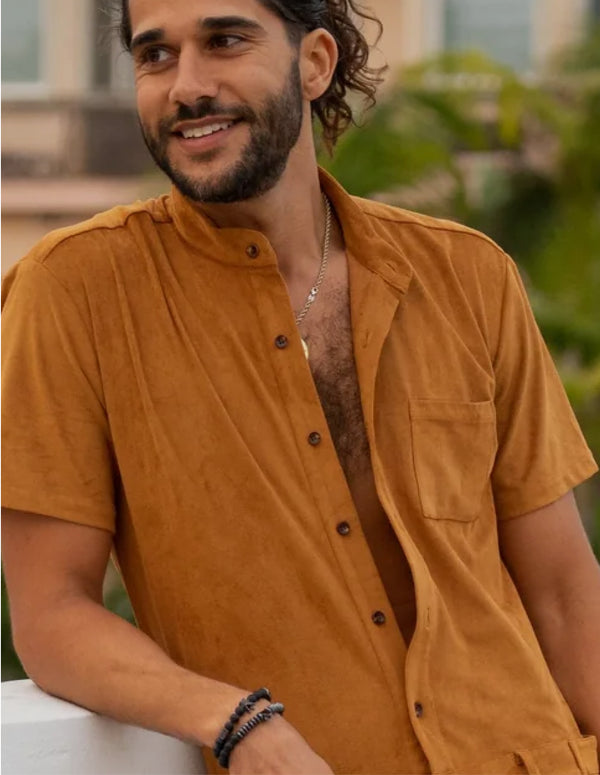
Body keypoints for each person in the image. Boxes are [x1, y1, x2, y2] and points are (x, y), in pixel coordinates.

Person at [2, 0, 599, 773]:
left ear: (314, 62)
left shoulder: (467, 275)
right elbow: (53, 614)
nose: (186, 85)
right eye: (155, 56)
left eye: (223, 41)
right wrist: (235, 719)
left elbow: (559, 587)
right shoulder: (73, 292)